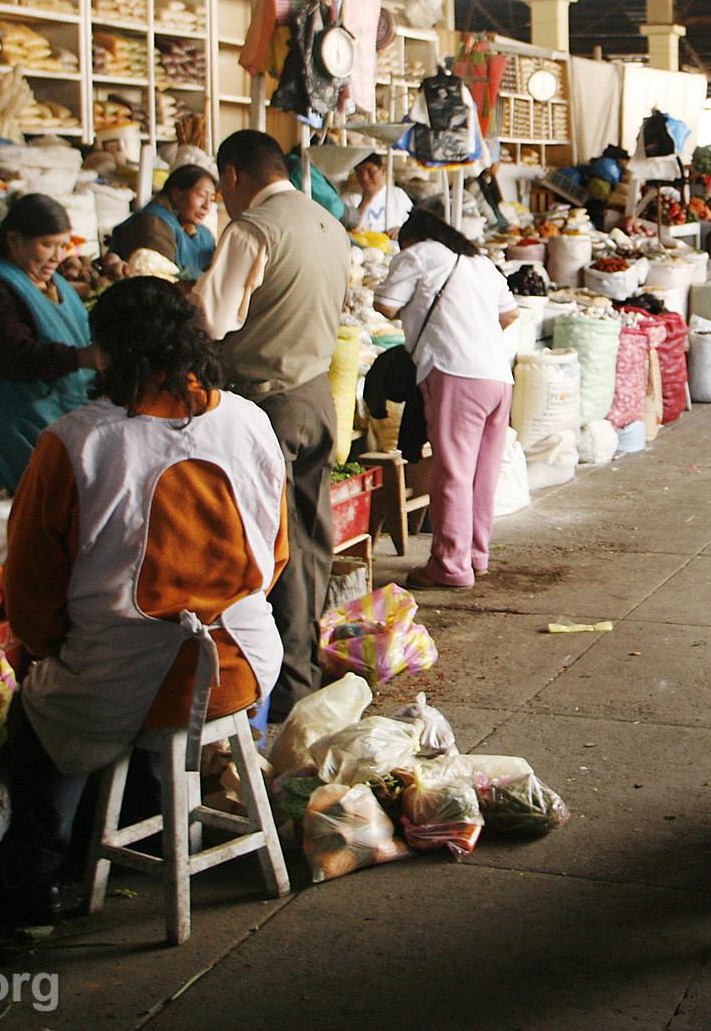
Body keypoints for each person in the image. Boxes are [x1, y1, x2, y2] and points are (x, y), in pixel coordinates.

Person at [0, 277, 287, 917]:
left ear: (105, 353)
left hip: (124, 675)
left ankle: (31, 883)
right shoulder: (250, 421)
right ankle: (163, 814)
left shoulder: (77, 441)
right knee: (126, 692)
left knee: (41, 714)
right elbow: (276, 551)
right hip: (241, 663)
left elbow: (33, 592)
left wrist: (47, 650)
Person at [195, 131, 350, 715]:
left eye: (221, 187)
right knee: (310, 546)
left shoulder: (253, 229)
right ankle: (300, 682)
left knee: (267, 552)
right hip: (317, 396)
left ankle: (266, 695)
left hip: (265, 404)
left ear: (233, 175)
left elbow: (210, 321)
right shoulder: (326, 224)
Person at [374, 210, 521, 590]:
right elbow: (511, 314)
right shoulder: (481, 263)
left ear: (411, 237)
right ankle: (474, 555)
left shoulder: (418, 253)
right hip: (498, 377)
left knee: (452, 472)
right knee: (482, 473)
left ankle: (450, 564)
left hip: (455, 373)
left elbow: (385, 305)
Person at [0, 195, 100, 493]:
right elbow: (15, 358)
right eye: (47, 244)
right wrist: (84, 358)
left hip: (57, 422)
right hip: (6, 431)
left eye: (63, 245)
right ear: (14, 240)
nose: (57, 256)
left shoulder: (56, 283)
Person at [106, 165, 218, 278]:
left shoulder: (203, 234)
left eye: (212, 199)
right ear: (176, 195)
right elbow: (158, 280)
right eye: (201, 196)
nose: (207, 206)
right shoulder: (154, 224)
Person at [341, 154, 413, 235]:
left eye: (370, 171)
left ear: (382, 170)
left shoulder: (398, 195)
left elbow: (413, 224)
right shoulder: (349, 198)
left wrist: (400, 230)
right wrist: (366, 200)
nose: (365, 178)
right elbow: (347, 230)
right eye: (359, 172)